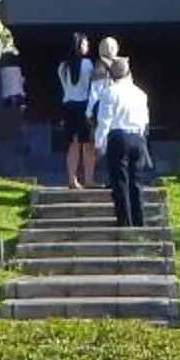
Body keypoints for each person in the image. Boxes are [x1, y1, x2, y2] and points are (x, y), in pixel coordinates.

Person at [96, 55, 154, 228]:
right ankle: (139, 220)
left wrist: (100, 144)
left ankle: (124, 223)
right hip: (137, 137)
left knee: (120, 182)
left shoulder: (109, 92)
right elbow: (145, 120)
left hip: (118, 137)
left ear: (112, 76)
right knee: (136, 182)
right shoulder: (140, 94)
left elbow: (104, 120)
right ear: (129, 74)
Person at [56, 33, 99, 189]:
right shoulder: (88, 64)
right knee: (88, 145)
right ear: (79, 46)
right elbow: (92, 86)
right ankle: (88, 179)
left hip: (68, 107)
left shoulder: (62, 66)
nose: (87, 47)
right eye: (86, 44)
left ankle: (71, 179)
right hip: (84, 106)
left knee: (73, 144)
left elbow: (64, 88)